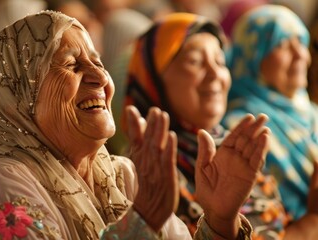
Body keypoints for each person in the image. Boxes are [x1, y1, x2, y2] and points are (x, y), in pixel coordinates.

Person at [0, 10, 270, 239]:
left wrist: (218, 220)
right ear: (19, 97)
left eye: (98, 61)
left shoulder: (123, 177)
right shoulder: (3, 182)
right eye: (71, 64)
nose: (100, 77)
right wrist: (140, 222)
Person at [123, 11, 318, 239]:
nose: (215, 73)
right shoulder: (144, 173)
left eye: (220, 60)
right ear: (152, 78)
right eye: (195, 61)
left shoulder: (234, 146)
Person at [222, 4, 318, 220]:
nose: (300, 54)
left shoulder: (311, 114)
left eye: (301, 42)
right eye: (283, 44)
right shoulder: (240, 128)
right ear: (254, 56)